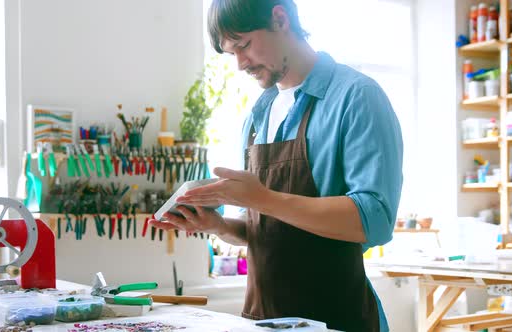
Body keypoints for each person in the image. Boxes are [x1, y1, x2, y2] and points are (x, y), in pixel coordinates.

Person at [149, 0, 403, 331]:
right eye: (231, 53)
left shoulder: (356, 97)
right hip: (263, 320)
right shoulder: (259, 114)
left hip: (337, 318)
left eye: (243, 45)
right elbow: (270, 230)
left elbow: (376, 220)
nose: (240, 64)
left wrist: (261, 199)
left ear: (280, 19)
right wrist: (220, 226)